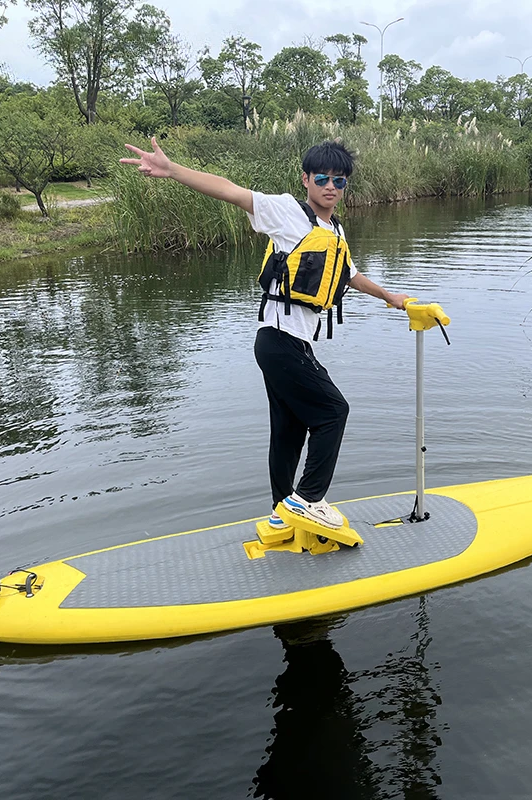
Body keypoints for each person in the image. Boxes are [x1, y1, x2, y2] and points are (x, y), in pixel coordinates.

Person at [120, 137, 409, 530]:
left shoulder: (335, 230)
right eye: (322, 178)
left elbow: (350, 275)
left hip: (289, 344)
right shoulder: (287, 212)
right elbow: (231, 191)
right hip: (279, 341)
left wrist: (390, 296)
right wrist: (173, 171)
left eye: (339, 181)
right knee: (333, 412)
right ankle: (308, 500)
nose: (330, 187)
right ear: (306, 179)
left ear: (345, 187)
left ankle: (282, 513)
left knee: (289, 431)